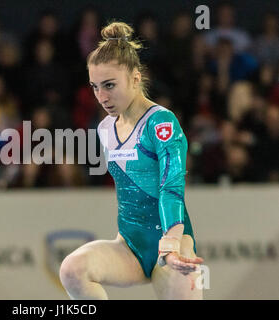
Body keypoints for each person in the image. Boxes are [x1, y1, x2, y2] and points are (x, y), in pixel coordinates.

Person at [59, 21, 204, 300]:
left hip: (173, 244)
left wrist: (171, 244)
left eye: (110, 85)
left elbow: (171, 185)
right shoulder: (105, 129)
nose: (101, 97)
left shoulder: (161, 122)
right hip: (130, 246)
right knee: (72, 269)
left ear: (136, 78)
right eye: (95, 87)